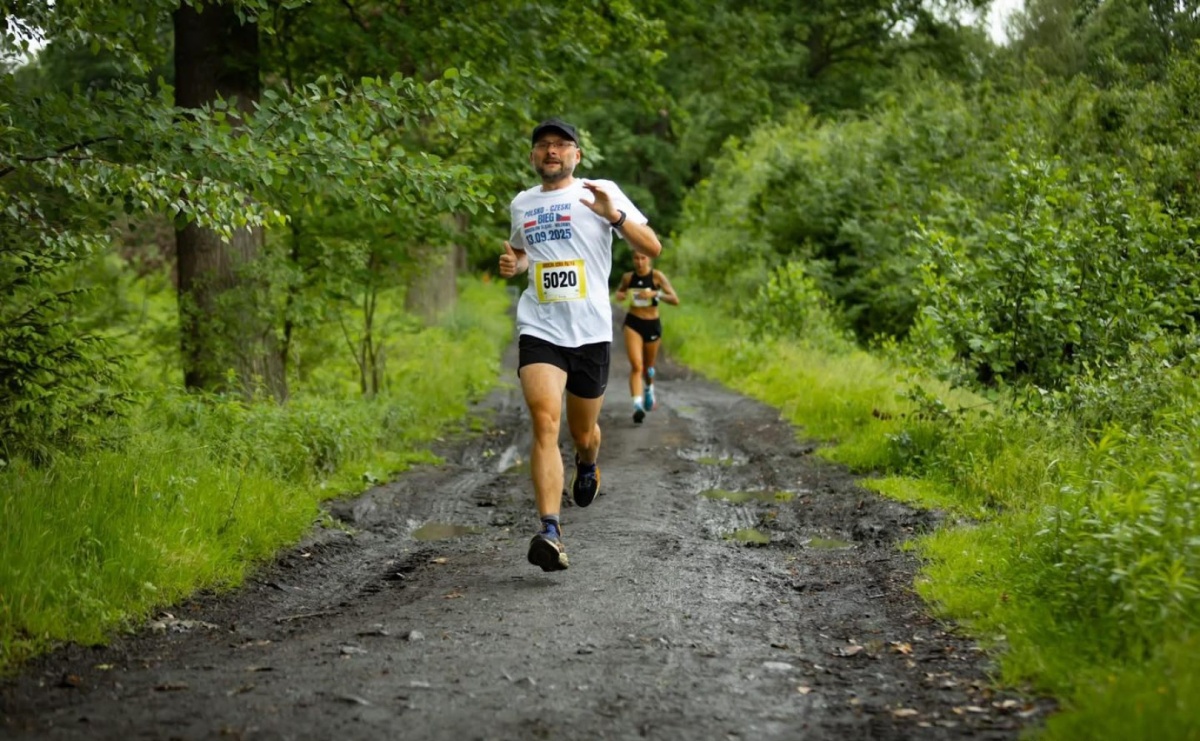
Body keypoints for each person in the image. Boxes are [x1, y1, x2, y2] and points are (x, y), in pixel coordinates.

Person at [498, 118, 662, 572]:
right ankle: (550, 530)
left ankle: (587, 463)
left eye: (561, 145)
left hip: (590, 331)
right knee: (544, 421)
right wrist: (516, 263)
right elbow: (523, 250)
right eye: (543, 145)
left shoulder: (600, 191)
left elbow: (653, 245)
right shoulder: (522, 204)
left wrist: (615, 214)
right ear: (533, 156)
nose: (551, 151)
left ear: (576, 156)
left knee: (583, 433)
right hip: (540, 326)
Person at [614, 253, 679, 423]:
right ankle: (637, 405)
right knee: (637, 366)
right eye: (636, 258)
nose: (639, 262)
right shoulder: (628, 278)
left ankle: (649, 388)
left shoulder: (657, 276)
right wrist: (620, 295)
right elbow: (620, 292)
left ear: (649, 259)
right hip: (633, 323)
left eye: (643, 258)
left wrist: (655, 295)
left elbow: (674, 299)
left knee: (648, 368)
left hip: (652, 324)